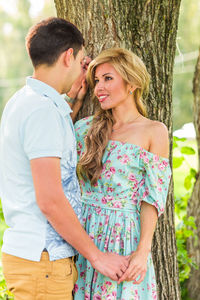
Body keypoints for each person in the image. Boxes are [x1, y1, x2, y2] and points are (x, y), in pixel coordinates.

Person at [0, 19, 129, 300]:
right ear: (69, 56)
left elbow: (48, 144)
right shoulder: (42, 112)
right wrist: (96, 256)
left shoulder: (24, 102)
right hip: (43, 263)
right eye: (82, 58)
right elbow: (50, 199)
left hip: (34, 260)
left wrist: (72, 101)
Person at [68, 48, 172, 299]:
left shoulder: (153, 131)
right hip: (85, 237)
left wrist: (143, 250)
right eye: (96, 80)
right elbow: (50, 148)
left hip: (124, 238)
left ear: (132, 83)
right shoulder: (84, 128)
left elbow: (153, 196)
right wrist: (76, 100)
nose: (99, 88)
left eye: (108, 78)